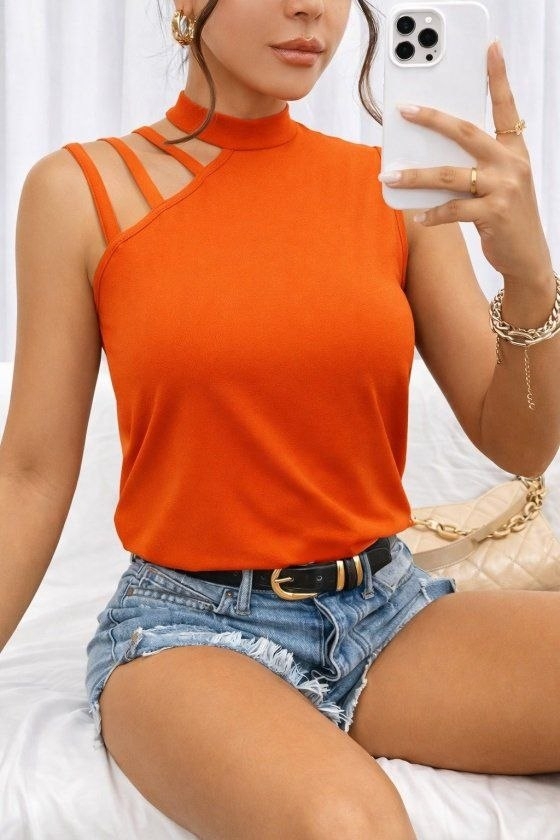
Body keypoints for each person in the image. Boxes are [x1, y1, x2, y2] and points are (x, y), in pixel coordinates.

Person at [1, 1, 559, 837]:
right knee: (351, 828)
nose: (310, 9)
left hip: (390, 613)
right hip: (186, 630)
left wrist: (528, 273)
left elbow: (520, 443)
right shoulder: (81, 190)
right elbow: (29, 475)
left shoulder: (397, 192)